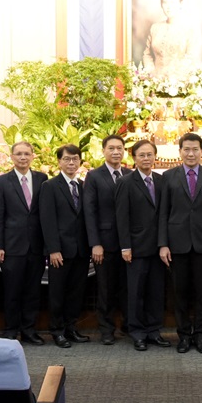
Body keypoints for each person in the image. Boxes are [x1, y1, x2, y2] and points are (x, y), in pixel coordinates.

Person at [158, 132, 202, 354]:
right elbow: (163, 213)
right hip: (177, 246)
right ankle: (184, 336)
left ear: (201, 151)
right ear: (180, 152)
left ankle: (200, 334)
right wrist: (163, 244)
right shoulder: (168, 176)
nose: (191, 153)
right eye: (186, 149)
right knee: (180, 293)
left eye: (195, 149)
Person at [0, 141, 48, 344]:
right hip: (12, 246)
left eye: (26, 154)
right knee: (12, 291)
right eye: (18, 154)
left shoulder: (42, 179)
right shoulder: (1, 181)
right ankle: (10, 330)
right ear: (12, 157)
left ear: (33, 156)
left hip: (36, 245)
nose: (23, 157)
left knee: (33, 291)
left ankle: (29, 330)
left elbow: (45, 213)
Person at [116, 140, 170, 351]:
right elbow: (122, 216)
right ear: (134, 158)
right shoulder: (126, 182)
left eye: (149, 155)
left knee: (156, 291)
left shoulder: (162, 180)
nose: (146, 159)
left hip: (158, 247)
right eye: (142, 155)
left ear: (155, 156)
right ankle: (137, 332)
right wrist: (125, 246)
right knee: (136, 292)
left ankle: (154, 331)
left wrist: (165, 243)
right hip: (135, 248)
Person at [40, 144, 91, 348]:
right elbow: (47, 220)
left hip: (81, 250)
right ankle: (57, 330)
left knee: (76, 292)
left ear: (80, 162)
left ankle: (71, 328)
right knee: (57, 293)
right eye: (67, 159)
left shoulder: (83, 185)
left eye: (75, 159)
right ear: (59, 162)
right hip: (60, 250)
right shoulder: (50, 186)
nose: (71, 163)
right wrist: (53, 249)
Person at [84, 134, 131, 345]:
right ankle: (106, 329)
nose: (116, 152)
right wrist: (95, 243)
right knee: (106, 289)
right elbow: (89, 211)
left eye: (119, 148)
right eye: (111, 148)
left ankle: (128, 325)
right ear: (103, 151)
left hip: (128, 243)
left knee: (127, 287)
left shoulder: (130, 174)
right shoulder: (94, 176)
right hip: (105, 242)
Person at [143, 0, 201, 81]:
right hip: (155, 82)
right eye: (165, 2)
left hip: (180, 83)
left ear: (180, 4)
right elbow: (147, 54)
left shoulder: (190, 29)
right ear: (161, 4)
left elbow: (191, 58)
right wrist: (152, 73)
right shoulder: (155, 28)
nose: (169, 7)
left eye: (173, 2)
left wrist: (173, 79)